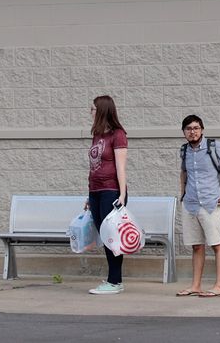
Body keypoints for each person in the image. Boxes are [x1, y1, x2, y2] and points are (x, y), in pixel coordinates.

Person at [176, 114, 220, 297]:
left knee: (217, 244)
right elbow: (184, 173)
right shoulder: (184, 150)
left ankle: (219, 286)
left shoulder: (214, 146)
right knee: (196, 245)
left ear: (201, 129)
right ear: (184, 132)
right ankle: (196, 285)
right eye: (188, 129)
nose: (192, 132)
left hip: (211, 202)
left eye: (195, 128)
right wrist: (183, 194)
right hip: (191, 204)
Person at [86, 94, 128, 294]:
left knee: (112, 237)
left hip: (111, 191)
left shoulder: (117, 134)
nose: (90, 112)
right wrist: (89, 196)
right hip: (95, 191)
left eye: (93, 109)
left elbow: (121, 167)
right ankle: (113, 280)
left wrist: (122, 194)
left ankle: (114, 281)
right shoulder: (97, 134)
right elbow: (95, 166)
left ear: (101, 110)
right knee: (105, 236)